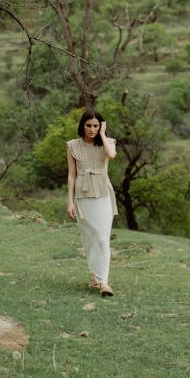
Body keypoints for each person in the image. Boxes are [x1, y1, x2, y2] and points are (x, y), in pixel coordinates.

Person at [66, 110, 118, 297]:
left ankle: (104, 282)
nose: (92, 129)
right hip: (82, 195)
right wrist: (69, 202)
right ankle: (95, 276)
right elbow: (72, 175)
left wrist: (103, 134)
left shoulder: (107, 142)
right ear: (82, 125)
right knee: (90, 239)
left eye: (96, 125)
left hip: (103, 193)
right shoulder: (73, 146)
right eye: (88, 125)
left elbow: (111, 155)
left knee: (103, 239)